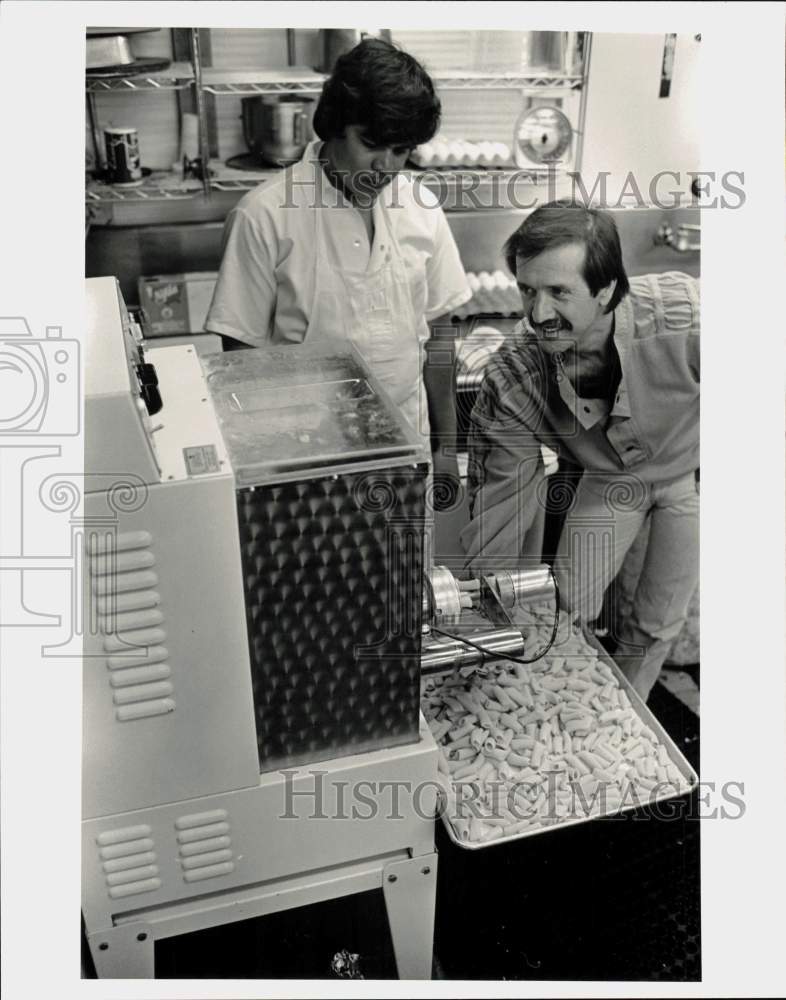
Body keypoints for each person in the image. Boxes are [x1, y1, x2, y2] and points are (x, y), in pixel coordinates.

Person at [460, 200, 699, 701]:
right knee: (566, 609)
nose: (539, 314)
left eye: (560, 292)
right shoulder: (514, 380)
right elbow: (502, 504)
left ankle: (626, 724)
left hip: (686, 471)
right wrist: (490, 614)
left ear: (607, 290)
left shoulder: (690, 323)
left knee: (658, 622)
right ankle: (565, 712)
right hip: (610, 481)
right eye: (528, 290)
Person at [205, 38, 471, 482]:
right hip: (306, 459)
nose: (385, 166)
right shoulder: (265, 215)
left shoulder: (421, 207)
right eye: (371, 143)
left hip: (409, 446)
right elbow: (241, 362)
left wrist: (446, 447)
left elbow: (440, 336)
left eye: (401, 150)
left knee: (406, 552)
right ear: (334, 125)